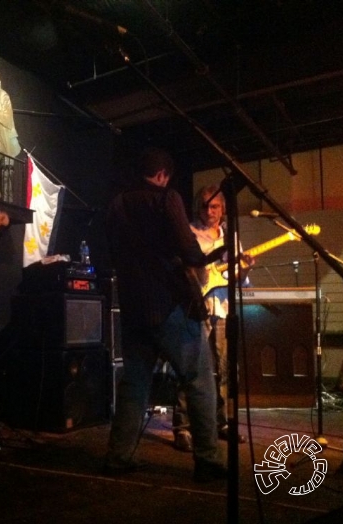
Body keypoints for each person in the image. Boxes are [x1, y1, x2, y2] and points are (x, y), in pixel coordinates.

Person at [104, 147, 228, 482]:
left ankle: (118, 456)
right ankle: (207, 460)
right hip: (170, 305)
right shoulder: (166, 199)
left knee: (135, 383)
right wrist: (219, 251)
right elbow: (189, 251)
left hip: (133, 307)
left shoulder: (117, 204)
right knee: (200, 380)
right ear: (163, 175)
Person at [171, 185, 254, 452]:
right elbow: (181, 270)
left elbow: (239, 280)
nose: (210, 211)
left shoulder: (231, 237)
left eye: (215, 206)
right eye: (206, 205)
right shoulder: (190, 232)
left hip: (222, 310)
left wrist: (244, 269)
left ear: (223, 209)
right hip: (195, 308)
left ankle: (220, 423)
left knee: (222, 370)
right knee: (191, 368)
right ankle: (182, 428)